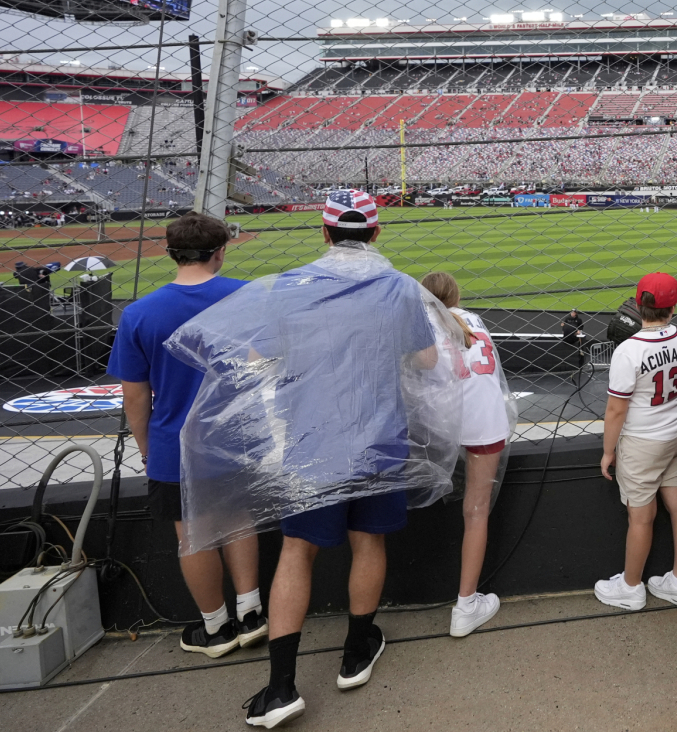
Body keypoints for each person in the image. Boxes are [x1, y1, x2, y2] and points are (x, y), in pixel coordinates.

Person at [170, 189, 462, 729]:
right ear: (375, 234)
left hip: (309, 443)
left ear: (324, 233)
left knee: (297, 552)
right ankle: (355, 651)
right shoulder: (397, 288)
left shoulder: (288, 286)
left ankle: (281, 686)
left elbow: (257, 360)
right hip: (379, 438)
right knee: (368, 541)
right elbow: (425, 359)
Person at [109, 212, 259, 657]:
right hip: (235, 435)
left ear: (170, 252)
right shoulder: (246, 298)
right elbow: (261, 368)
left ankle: (216, 627)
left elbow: (135, 398)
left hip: (173, 443)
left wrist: (145, 446)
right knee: (238, 520)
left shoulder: (139, 314)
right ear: (220, 251)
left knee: (192, 535)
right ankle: (252, 614)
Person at [594, 272, 677, 612]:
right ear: (671, 307)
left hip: (641, 442)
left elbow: (615, 410)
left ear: (639, 306)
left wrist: (608, 452)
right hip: (675, 433)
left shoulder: (628, 351)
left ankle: (631, 587)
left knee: (640, 518)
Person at [420, 272, 514, 638]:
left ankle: (462, 600)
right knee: (476, 512)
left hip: (438, 424)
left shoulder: (421, 323)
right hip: (486, 420)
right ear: (457, 295)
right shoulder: (472, 318)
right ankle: (466, 603)